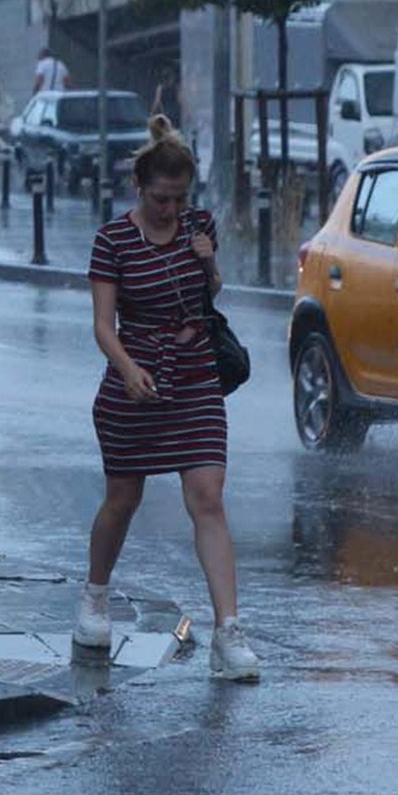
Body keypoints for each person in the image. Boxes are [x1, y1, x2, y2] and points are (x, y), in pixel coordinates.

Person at [74, 115, 260, 682]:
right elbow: (104, 325)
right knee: (123, 499)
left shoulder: (196, 225)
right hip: (137, 378)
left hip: (195, 372)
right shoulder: (113, 240)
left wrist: (208, 258)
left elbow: (212, 292)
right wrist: (127, 368)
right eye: (160, 198)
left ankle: (228, 634)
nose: (170, 210)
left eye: (179, 198)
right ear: (140, 188)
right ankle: (95, 599)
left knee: (208, 495)